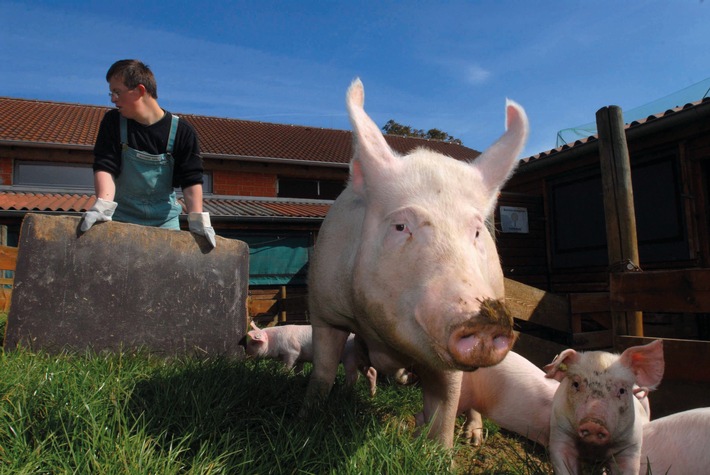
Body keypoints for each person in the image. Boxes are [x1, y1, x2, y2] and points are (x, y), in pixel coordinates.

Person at [81, 59, 216, 248]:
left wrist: (197, 221)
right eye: (111, 92)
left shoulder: (182, 132)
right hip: (122, 218)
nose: (113, 99)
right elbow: (105, 164)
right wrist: (103, 205)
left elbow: (190, 179)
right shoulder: (112, 122)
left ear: (140, 91)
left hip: (164, 222)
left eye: (117, 92)